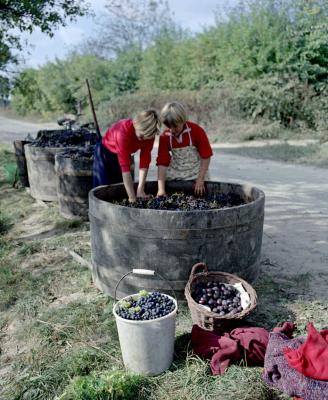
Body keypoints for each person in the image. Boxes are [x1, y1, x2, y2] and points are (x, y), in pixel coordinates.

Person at [93, 109, 160, 202]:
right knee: (103, 190)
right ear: (136, 125)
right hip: (105, 152)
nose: (143, 140)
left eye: (146, 138)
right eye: (141, 136)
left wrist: (140, 189)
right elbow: (125, 170)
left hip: (125, 152)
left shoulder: (149, 136)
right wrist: (132, 198)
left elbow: (144, 163)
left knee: (122, 190)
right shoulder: (123, 132)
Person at [156, 102, 213, 197]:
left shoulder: (196, 131)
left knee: (202, 193)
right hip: (176, 171)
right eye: (169, 126)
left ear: (183, 120)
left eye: (175, 126)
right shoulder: (165, 137)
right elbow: (162, 162)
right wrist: (161, 189)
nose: (172, 130)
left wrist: (200, 179)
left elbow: (206, 156)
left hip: (196, 170)